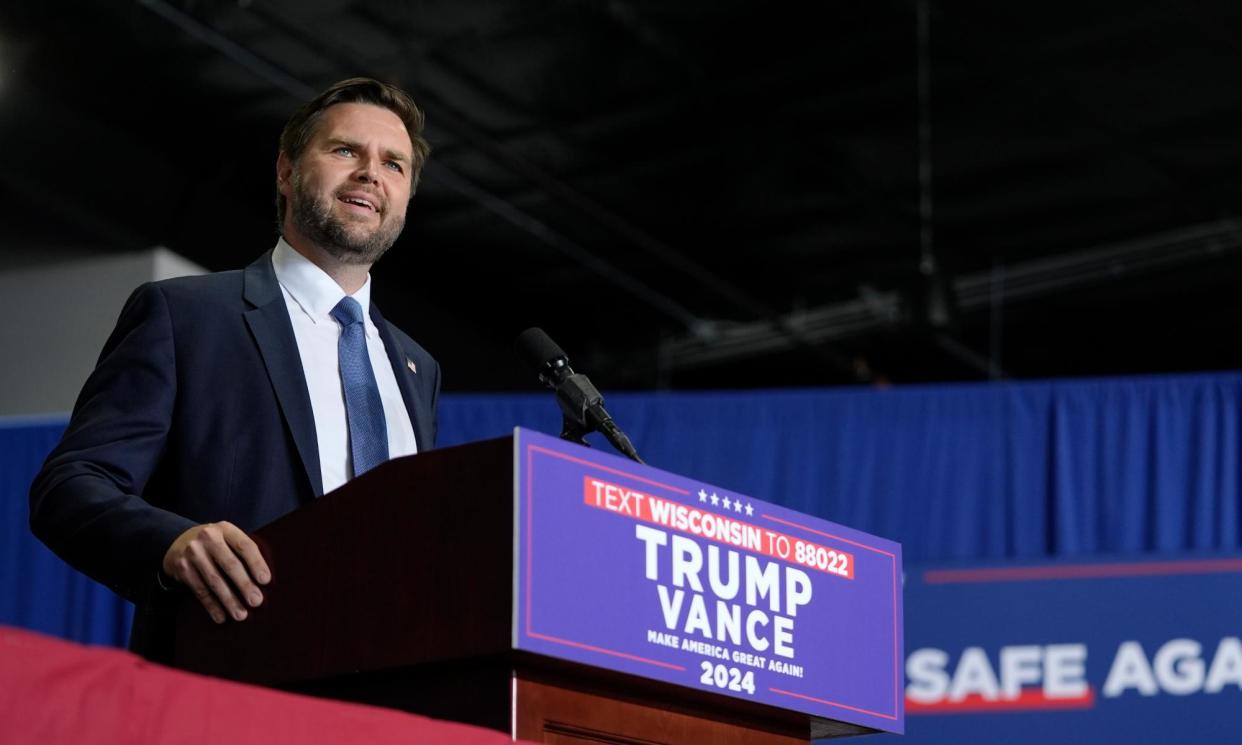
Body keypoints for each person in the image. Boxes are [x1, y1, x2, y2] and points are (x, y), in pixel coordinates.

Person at [29, 77, 440, 663]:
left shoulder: (417, 369)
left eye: (393, 164)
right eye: (345, 150)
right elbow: (70, 489)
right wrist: (171, 544)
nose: (371, 173)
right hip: (225, 681)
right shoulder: (187, 316)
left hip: (387, 689)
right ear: (285, 172)